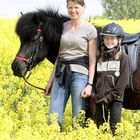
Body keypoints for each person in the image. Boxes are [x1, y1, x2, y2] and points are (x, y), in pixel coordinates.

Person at [45, 0, 97, 130]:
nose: (73, 10)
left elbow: (92, 60)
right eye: (70, 7)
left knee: (78, 119)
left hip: (80, 75)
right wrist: (50, 81)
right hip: (60, 74)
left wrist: (90, 85)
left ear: (83, 8)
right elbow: (59, 56)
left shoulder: (90, 30)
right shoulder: (63, 27)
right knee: (53, 118)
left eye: (76, 7)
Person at [92, 23, 130, 135]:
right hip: (100, 99)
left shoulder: (123, 58)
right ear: (103, 39)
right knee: (101, 128)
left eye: (112, 38)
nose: (109, 41)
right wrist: (94, 94)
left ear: (119, 40)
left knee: (115, 128)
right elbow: (94, 78)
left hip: (115, 99)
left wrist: (109, 97)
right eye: (106, 38)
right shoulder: (99, 58)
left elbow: (123, 81)